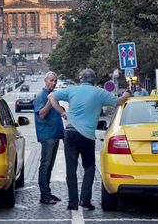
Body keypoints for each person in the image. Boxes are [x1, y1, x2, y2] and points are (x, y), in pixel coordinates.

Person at [48, 68, 131, 211]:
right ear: (93, 79)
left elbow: (51, 97)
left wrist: (63, 113)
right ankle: (85, 200)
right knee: (90, 167)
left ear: (81, 79)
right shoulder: (99, 93)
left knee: (71, 169)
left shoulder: (72, 90)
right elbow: (119, 102)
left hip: (71, 133)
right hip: (87, 136)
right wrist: (127, 93)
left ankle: (72, 203)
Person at [33, 71, 64, 204]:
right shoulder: (41, 95)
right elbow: (41, 114)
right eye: (51, 80)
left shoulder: (53, 95)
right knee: (45, 165)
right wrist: (50, 102)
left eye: (55, 81)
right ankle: (44, 195)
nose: (53, 83)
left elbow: (56, 115)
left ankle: (48, 193)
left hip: (55, 134)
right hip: (47, 136)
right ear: (45, 81)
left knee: (50, 166)